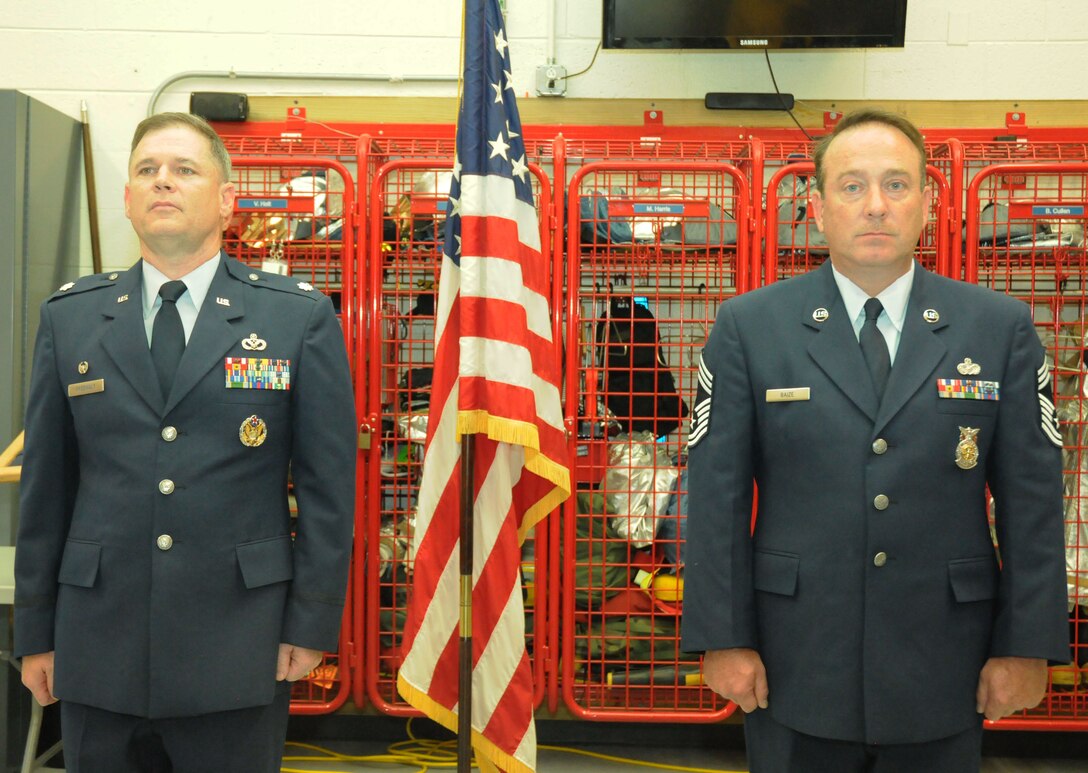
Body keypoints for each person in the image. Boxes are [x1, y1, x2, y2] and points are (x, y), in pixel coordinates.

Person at [680, 109, 1068, 771]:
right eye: (852, 186)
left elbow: (1033, 501)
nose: (876, 205)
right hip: (793, 658)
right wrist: (723, 636)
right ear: (818, 206)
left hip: (946, 661)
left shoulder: (998, 328)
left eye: (896, 184)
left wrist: (1026, 643)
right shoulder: (751, 327)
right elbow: (715, 498)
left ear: (927, 203)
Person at [14, 112, 356, 772]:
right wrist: (36, 631)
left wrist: (308, 623)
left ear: (227, 200)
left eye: (183, 169)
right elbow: (45, 490)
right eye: (146, 170)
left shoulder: (295, 318)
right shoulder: (72, 317)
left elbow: (326, 491)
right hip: (97, 640)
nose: (161, 181)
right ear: (128, 199)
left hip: (237, 644)